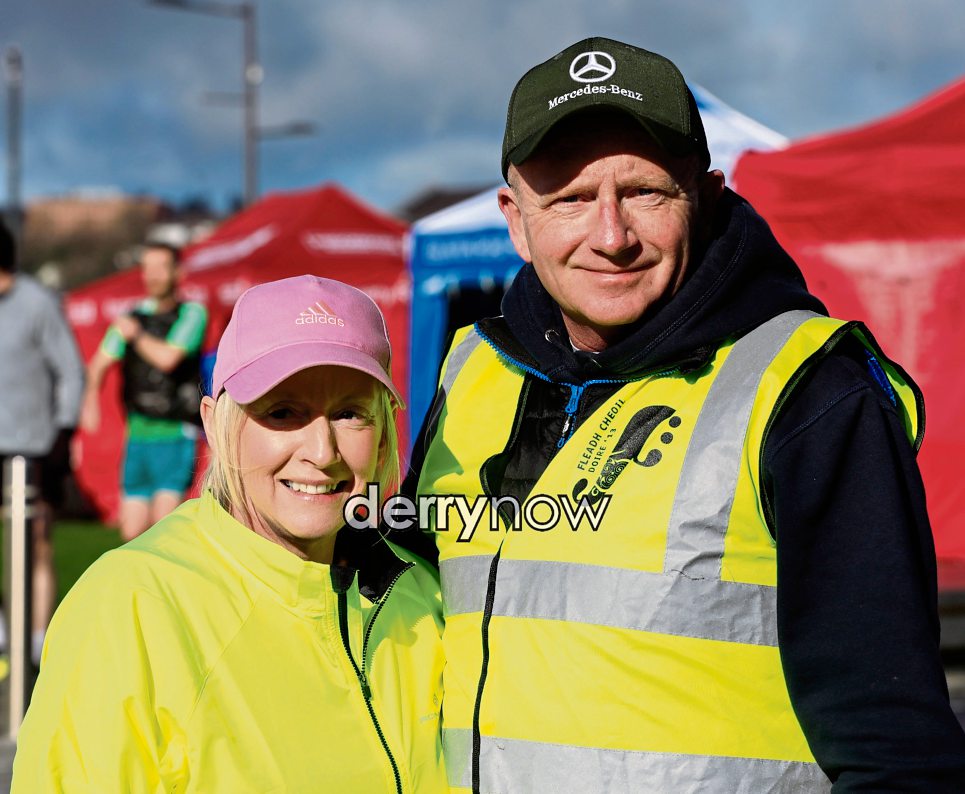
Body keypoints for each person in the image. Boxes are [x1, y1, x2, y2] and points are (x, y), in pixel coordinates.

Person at [398, 38, 965, 791]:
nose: (611, 236)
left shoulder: (807, 388)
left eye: (644, 192)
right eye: (570, 199)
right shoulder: (474, 371)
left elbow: (896, 747)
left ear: (705, 196)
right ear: (515, 220)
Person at [12, 274, 447, 792]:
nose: (322, 451)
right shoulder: (131, 606)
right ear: (216, 425)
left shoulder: (422, 593)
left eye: (350, 414)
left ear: (383, 438)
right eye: (282, 412)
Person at [80, 242, 208, 541]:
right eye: (147, 268)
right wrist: (90, 401)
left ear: (178, 273)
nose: (153, 275)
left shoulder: (191, 314)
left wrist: (135, 334)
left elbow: (168, 358)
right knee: (131, 532)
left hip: (174, 431)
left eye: (161, 267)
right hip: (137, 434)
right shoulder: (131, 317)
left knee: (164, 529)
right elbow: (98, 364)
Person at [0, 216, 85, 665]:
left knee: (38, 539)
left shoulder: (37, 302)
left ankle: (37, 638)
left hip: (34, 445)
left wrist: (63, 432)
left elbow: (70, 370)